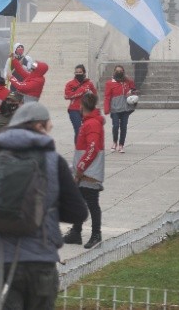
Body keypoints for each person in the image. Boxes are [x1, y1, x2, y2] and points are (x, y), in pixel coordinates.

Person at [0, 102, 88, 310]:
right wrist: (42, 210)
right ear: (40, 126)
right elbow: (78, 212)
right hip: (40, 258)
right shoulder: (54, 160)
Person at [62, 93, 105, 249]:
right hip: (84, 171)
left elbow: (92, 148)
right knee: (77, 202)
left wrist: (80, 168)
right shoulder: (87, 122)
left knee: (92, 203)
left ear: (82, 106)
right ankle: (76, 232)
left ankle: (96, 235)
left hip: (89, 173)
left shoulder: (92, 124)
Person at [103, 65, 136, 153]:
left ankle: (121, 145)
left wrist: (131, 91)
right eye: (117, 71)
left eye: (121, 71)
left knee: (124, 127)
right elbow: (107, 97)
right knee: (116, 126)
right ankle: (114, 142)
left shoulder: (127, 81)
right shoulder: (109, 83)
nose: (119, 72)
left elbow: (134, 89)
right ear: (114, 72)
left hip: (126, 108)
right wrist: (106, 109)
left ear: (123, 72)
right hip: (115, 109)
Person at [64, 64, 97, 143]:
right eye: (76, 72)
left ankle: (86, 147)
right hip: (74, 110)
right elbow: (67, 95)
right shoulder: (70, 84)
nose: (78, 74)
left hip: (86, 109)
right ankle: (78, 150)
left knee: (88, 130)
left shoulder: (89, 84)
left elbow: (95, 95)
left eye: (80, 72)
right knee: (78, 130)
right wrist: (82, 91)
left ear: (84, 72)